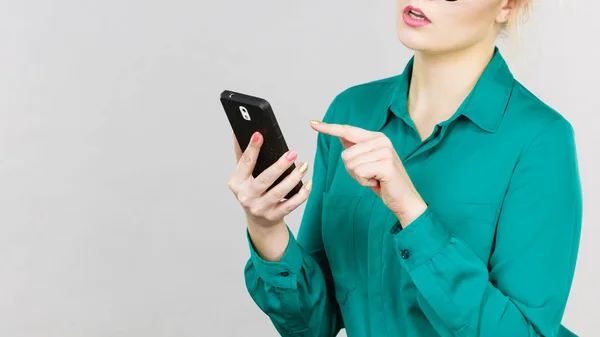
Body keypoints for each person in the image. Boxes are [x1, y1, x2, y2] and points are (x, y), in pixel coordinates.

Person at [227, 0, 582, 336]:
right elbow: (313, 325)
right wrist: (266, 227)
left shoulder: (540, 139)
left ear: (507, 5)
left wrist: (412, 212)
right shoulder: (351, 112)